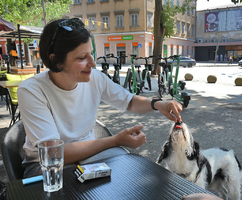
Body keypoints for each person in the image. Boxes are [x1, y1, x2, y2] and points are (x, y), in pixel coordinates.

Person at [17, 18, 183, 178]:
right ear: (56, 61)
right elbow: (53, 153)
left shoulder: (95, 78)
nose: (93, 63)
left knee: (131, 177)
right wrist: (116, 140)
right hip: (46, 167)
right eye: (82, 58)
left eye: (91, 53)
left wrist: (158, 104)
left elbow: (129, 101)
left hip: (91, 156)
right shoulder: (31, 90)